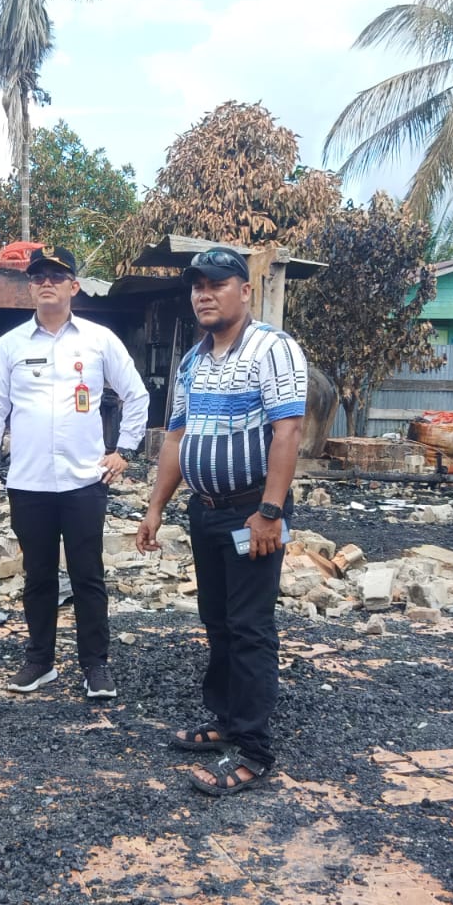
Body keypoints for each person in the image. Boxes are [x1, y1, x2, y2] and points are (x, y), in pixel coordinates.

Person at [137, 247, 307, 796]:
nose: (204, 294)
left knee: (250, 629)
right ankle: (225, 722)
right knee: (216, 621)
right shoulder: (193, 360)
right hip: (205, 511)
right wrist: (156, 507)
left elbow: (287, 433)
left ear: (244, 290)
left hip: (251, 511)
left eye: (216, 283)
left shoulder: (272, 350)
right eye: (196, 286)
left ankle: (254, 749)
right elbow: (176, 438)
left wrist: (270, 513)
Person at [0, 247, 149, 699]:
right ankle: (39, 662)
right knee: (38, 576)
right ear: (30, 287)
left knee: (88, 577)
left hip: (84, 483)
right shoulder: (10, 345)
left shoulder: (98, 340)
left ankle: (95, 666)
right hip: (29, 483)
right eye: (38, 277)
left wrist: (124, 450)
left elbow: (136, 394)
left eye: (56, 276)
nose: (46, 283)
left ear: (74, 286)